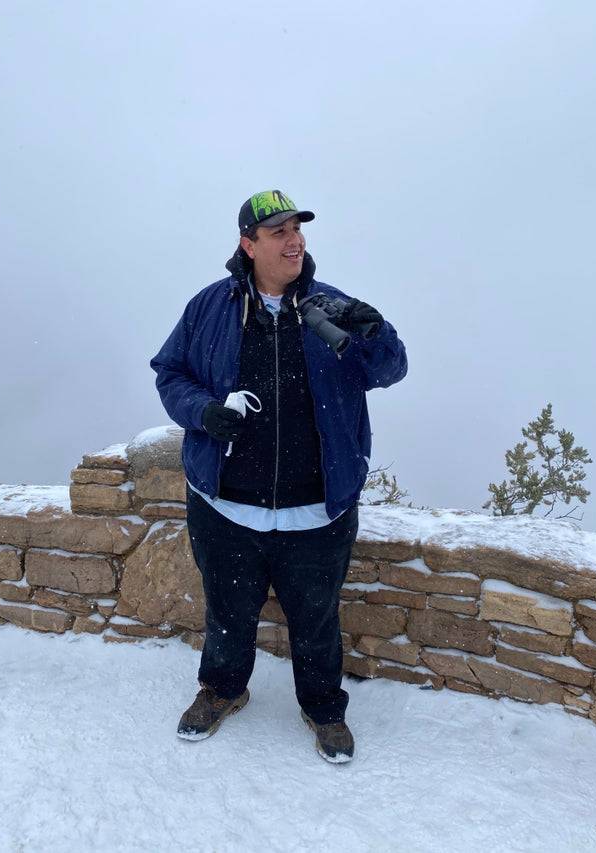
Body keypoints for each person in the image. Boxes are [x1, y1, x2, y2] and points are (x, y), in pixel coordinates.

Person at [150, 189, 407, 763]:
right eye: (278, 232)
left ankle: (323, 709)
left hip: (316, 509)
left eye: (298, 229)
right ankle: (221, 689)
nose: (295, 241)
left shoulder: (331, 306)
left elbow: (391, 370)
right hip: (225, 505)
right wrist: (205, 412)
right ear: (248, 244)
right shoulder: (210, 308)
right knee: (227, 610)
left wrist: (375, 330)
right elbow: (170, 374)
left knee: (316, 618)